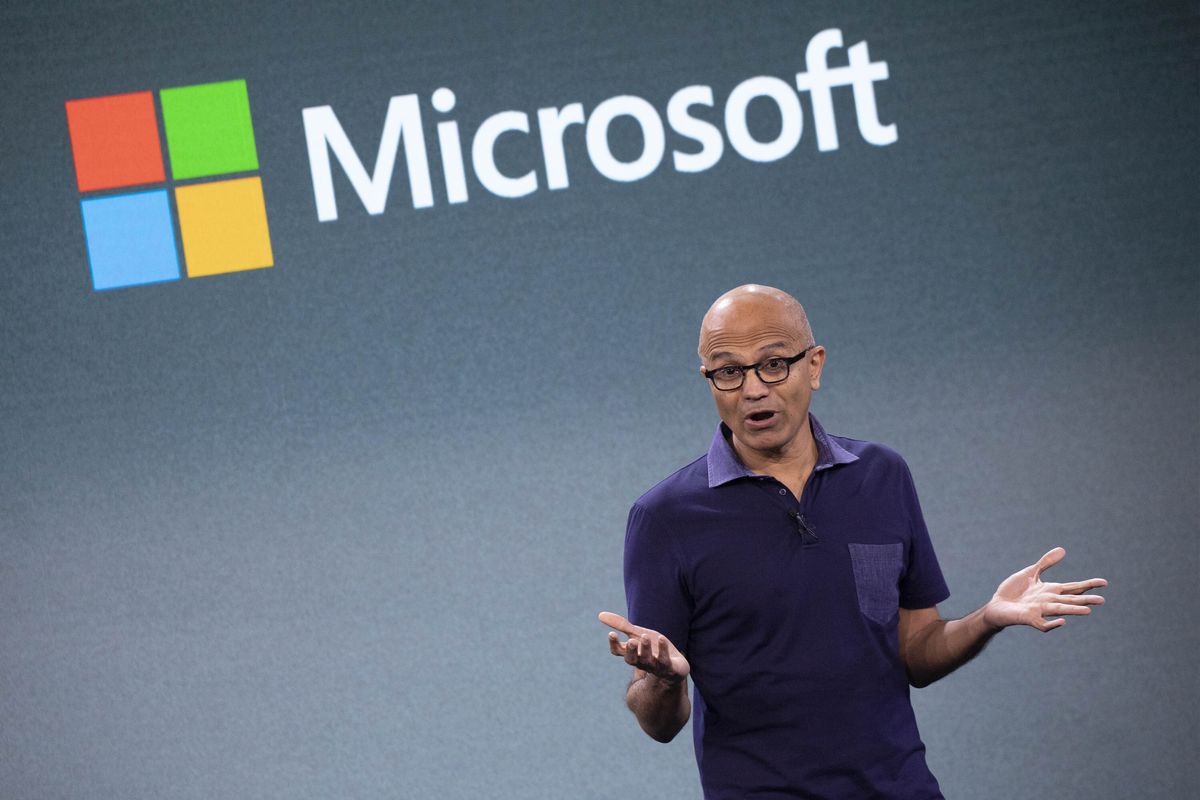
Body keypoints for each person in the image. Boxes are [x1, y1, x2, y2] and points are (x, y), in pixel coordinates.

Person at [598, 284, 1107, 799]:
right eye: (728, 371)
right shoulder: (664, 517)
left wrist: (989, 618)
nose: (753, 389)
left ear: (814, 365)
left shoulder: (882, 476)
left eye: (774, 364)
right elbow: (658, 722)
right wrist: (663, 681)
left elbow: (916, 653)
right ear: (709, 380)